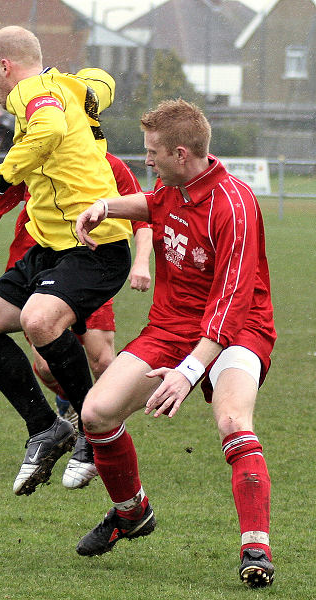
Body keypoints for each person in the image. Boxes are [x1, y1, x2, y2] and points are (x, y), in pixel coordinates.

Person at [74, 99, 276, 589]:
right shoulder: (174, 184)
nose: (146, 160)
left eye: (152, 152)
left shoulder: (234, 203)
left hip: (240, 327)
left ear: (181, 153)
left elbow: (230, 302)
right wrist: (106, 207)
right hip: (171, 326)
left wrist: (188, 373)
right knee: (96, 414)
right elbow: (153, 203)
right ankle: (131, 512)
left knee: (232, 420)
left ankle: (256, 548)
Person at [0, 26, 133, 497]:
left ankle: (96, 429)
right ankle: (47, 428)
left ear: (6, 67)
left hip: (95, 246)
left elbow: (49, 129)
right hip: (48, 249)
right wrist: (83, 92)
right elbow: (104, 82)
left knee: (39, 320)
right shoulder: (68, 86)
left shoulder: (34, 92)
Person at [0, 154, 153, 488]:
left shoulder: (107, 164)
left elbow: (143, 212)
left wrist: (141, 263)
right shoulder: (33, 150)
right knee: (40, 362)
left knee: (102, 358)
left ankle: (98, 429)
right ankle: (55, 423)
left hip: (88, 263)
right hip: (37, 263)